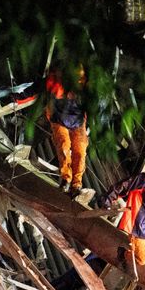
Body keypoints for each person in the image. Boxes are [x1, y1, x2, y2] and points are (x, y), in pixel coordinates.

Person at [45, 68, 88, 197]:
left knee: (80, 152)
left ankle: (76, 184)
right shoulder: (56, 81)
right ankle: (66, 179)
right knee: (64, 146)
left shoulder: (86, 88)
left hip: (78, 121)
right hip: (58, 119)